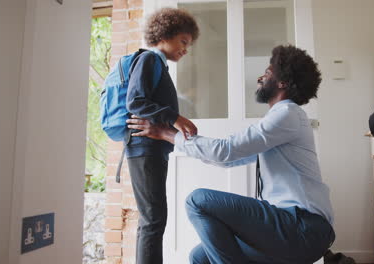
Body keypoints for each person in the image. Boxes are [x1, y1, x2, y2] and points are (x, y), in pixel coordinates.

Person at [127, 45, 335, 264]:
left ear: (283, 83)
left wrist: (167, 133)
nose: (260, 78)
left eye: (268, 72)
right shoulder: (282, 119)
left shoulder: (287, 114)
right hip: (289, 227)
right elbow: (228, 158)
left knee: (198, 201)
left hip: (302, 227)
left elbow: (226, 151)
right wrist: (177, 139)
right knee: (199, 257)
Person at [125, 8, 199, 264]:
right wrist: (175, 118)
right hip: (144, 148)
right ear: (165, 34)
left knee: (152, 219)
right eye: (183, 41)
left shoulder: (158, 65)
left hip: (151, 149)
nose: (185, 49)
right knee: (153, 220)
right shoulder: (150, 60)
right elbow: (135, 101)